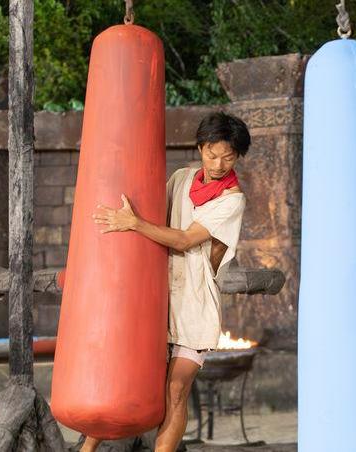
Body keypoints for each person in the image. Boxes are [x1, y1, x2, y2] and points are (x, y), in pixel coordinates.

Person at [84, 112, 250, 452]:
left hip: (195, 307)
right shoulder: (181, 179)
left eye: (228, 157)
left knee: (176, 390)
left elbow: (185, 240)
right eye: (212, 154)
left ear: (237, 157)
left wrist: (134, 223)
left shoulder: (232, 200)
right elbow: (148, 212)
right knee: (122, 373)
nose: (218, 164)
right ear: (200, 148)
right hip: (157, 298)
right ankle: (86, 449)